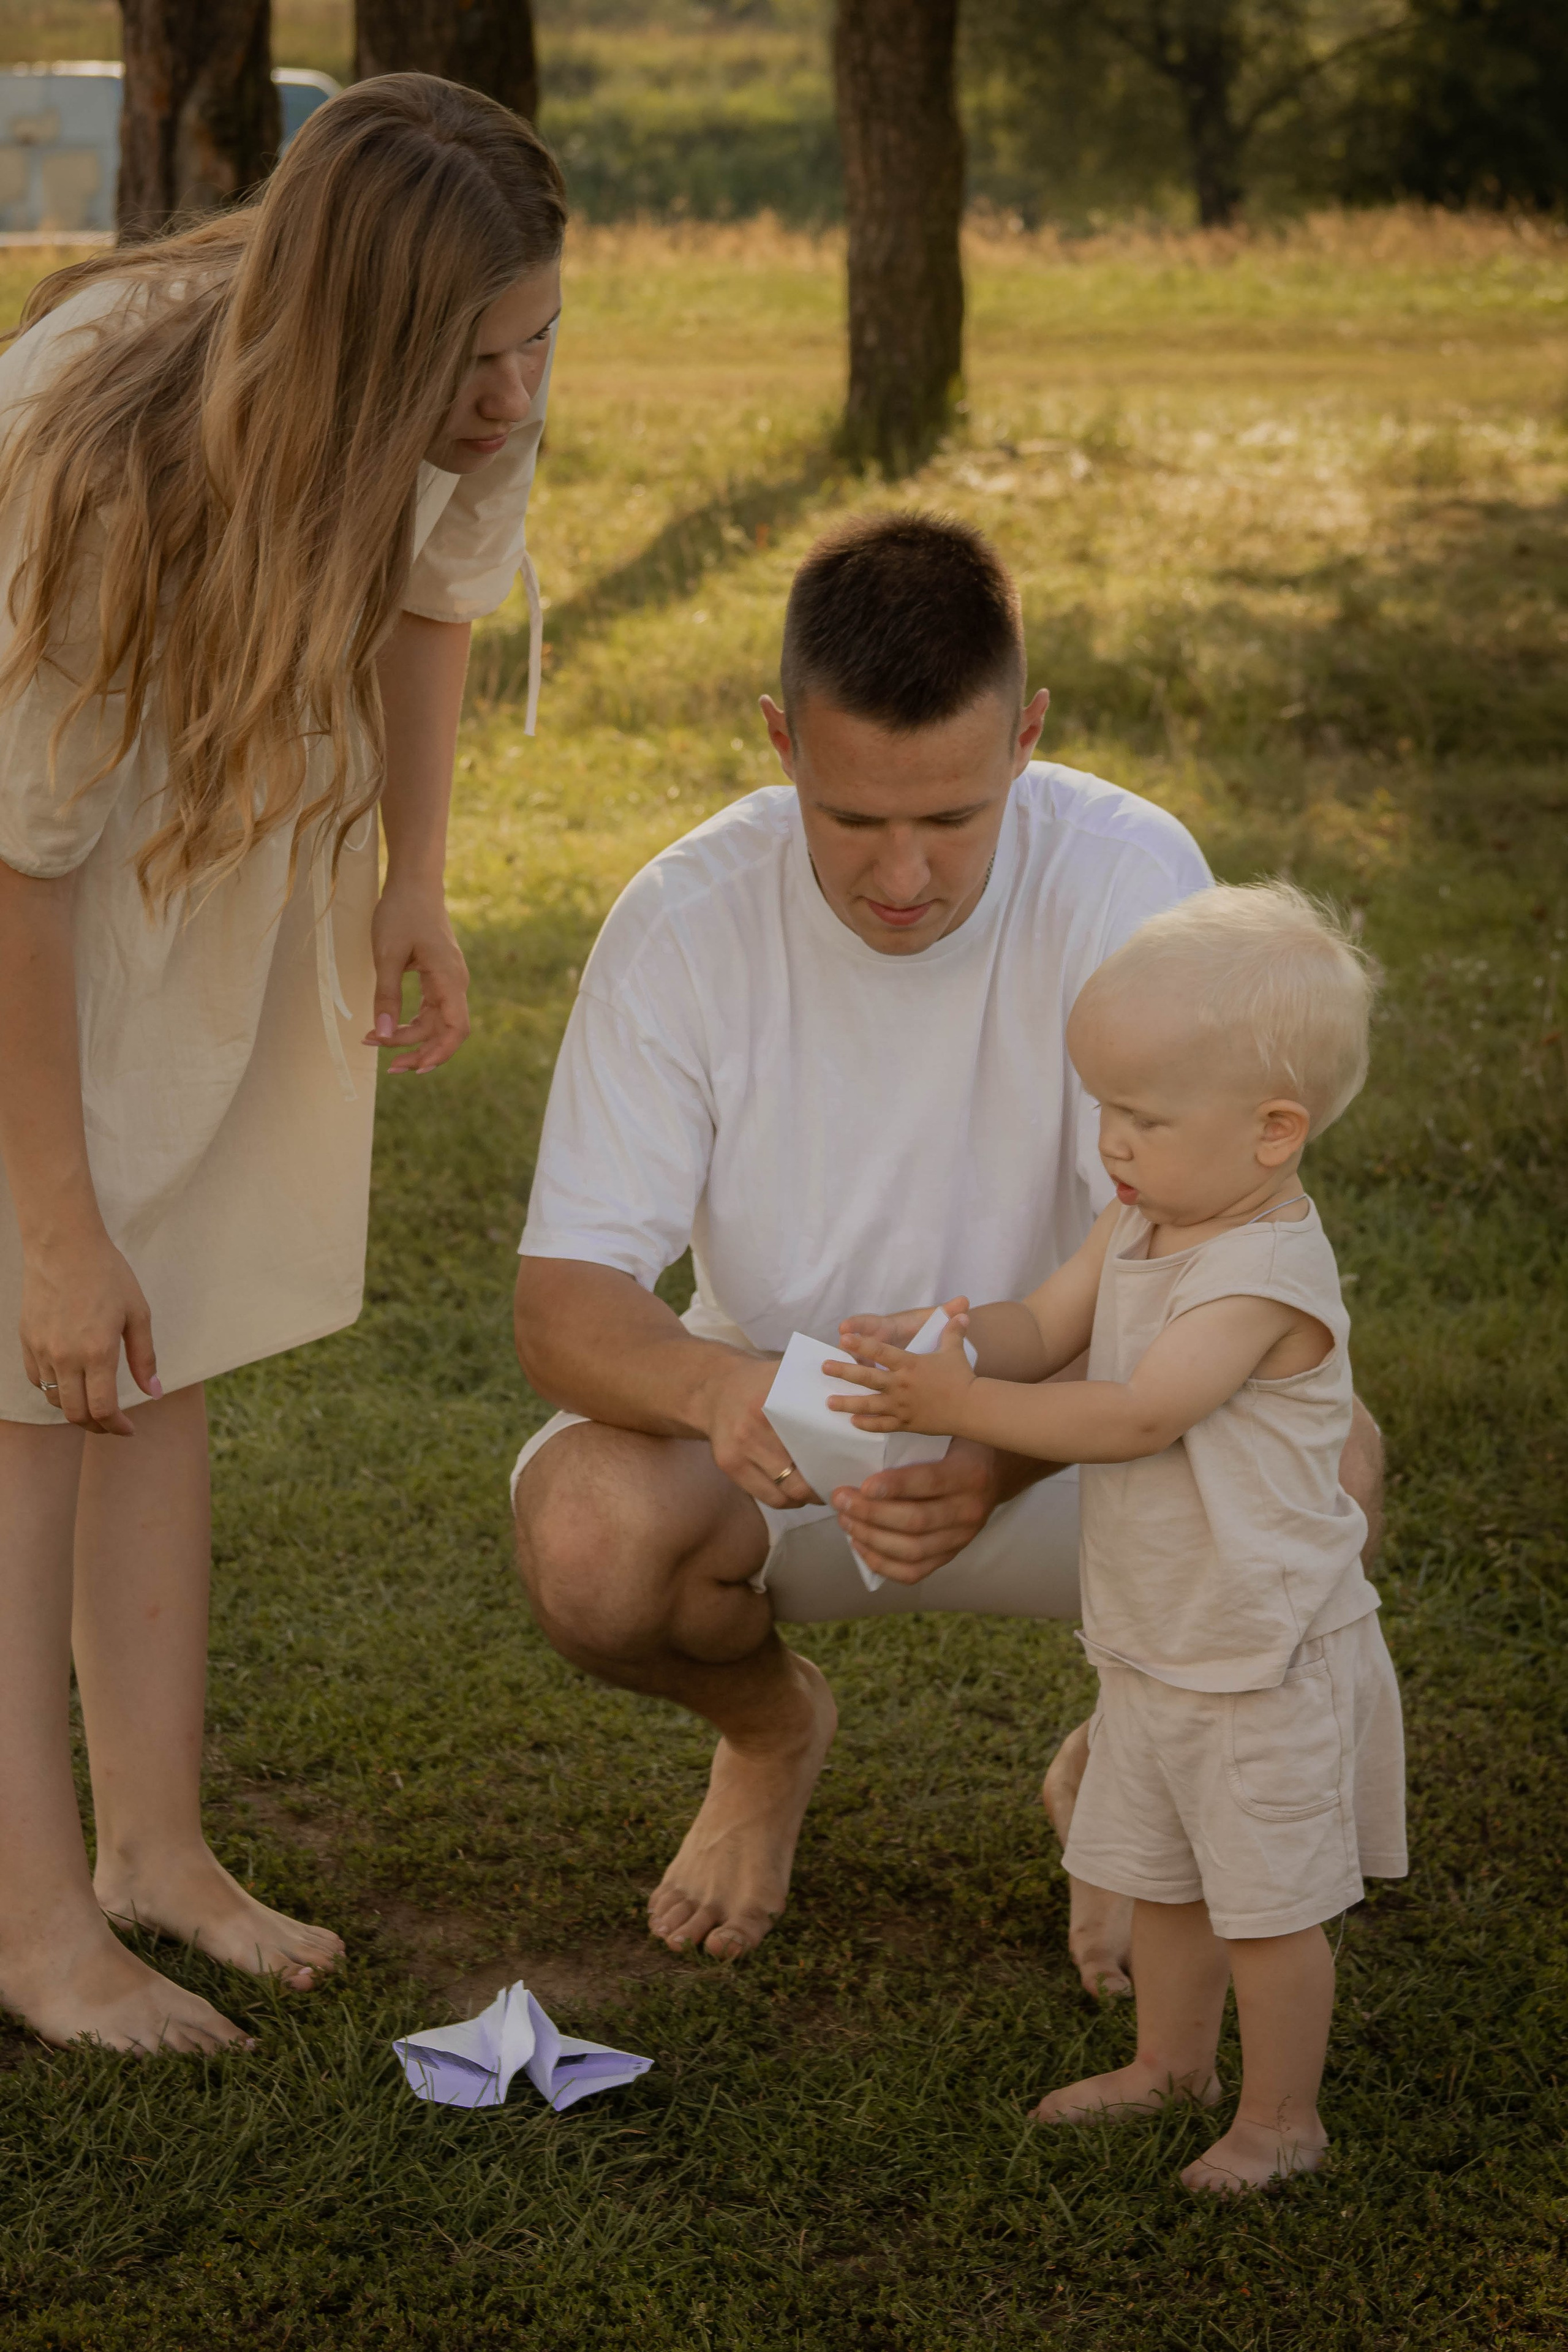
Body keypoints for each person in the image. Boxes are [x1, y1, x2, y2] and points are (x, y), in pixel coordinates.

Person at [513, 513, 1378, 1977]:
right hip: (782, 1440)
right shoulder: (683, 918)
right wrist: (721, 1394)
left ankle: (1128, 1773)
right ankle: (768, 1737)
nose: (903, 875)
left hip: (1084, 1424)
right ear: (781, 738)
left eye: (954, 819)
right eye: (853, 821)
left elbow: (1206, 1267)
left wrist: (997, 1448)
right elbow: (563, 1305)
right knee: (590, 1538)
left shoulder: (1129, 876)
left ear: (1027, 734)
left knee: (1334, 1468)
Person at [0, 74, 565, 2054]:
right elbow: (24, 864)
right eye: (471, 361)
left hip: (212, 844)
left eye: (531, 344)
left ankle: (157, 1852)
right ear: (356, 337)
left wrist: (419, 869)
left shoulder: (465, 374)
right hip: (32, 875)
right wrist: (52, 1220)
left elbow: (430, 592)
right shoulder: (89, 440)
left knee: (164, 1350)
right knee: (25, 1372)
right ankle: (38, 1920)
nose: (510, 396)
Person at [829, 881, 1406, 2193]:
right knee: (1161, 1872)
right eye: (1102, 1108)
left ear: (1271, 1133)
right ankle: (1169, 2066)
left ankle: (1278, 2120)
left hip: (1259, 1649)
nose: (1111, 1142)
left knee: (1264, 1906)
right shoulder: (1143, 1218)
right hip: (1160, 1633)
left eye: (1141, 1117)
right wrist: (956, 1339)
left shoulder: (1261, 1278)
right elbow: (1045, 1329)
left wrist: (955, 1408)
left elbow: (1140, 1415)